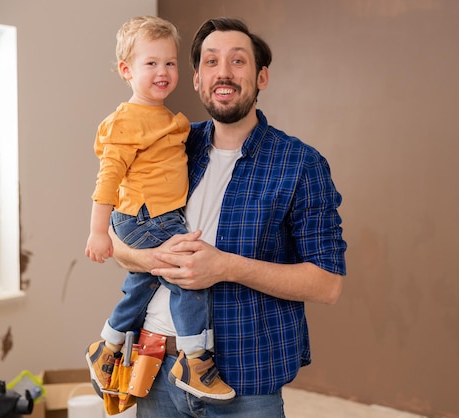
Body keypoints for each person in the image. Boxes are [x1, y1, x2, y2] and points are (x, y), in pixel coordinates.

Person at [110, 16, 347, 417]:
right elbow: (117, 236)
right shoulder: (170, 143)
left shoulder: (300, 164)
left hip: (246, 380)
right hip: (157, 366)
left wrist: (225, 267)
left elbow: (327, 285)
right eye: (210, 62)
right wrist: (154, 260)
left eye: (238, 61)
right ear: (198, 79)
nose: (223, 73)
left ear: (262, 78)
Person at [84, 15, 234, 404]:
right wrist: (99, 232)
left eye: (169, 63)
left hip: (161, 215)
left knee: (143, 282)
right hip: (143, 215)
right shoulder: (127, 121)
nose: (162, 71)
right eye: (150, 63)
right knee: (188, 274)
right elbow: (107, 181)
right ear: (126, 70)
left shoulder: (166, 119)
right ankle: (194, 358)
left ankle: (108, 345)